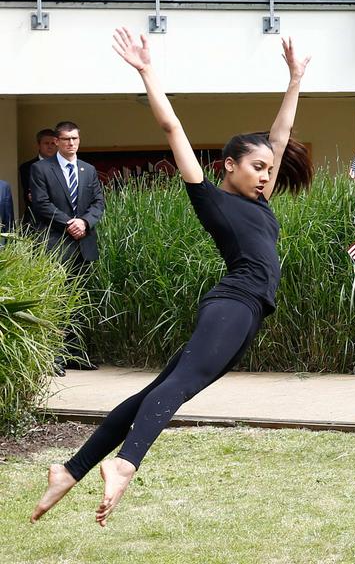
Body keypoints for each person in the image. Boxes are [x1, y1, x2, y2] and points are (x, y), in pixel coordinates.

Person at [31, 27, 312, 526]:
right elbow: (173, 128)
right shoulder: (211, 196)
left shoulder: (260, 199)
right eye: (257, 167)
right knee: (179, 385)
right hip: (234, 302)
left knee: (155, 391)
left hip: (248, 311)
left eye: (270, 168)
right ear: (230, 166)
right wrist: (146, 71)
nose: (267, 174)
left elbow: (281, 134)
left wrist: (293, 79)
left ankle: (70, 470)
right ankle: (124, 464)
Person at [29, 119, 106, 371]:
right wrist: (69, 222)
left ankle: (76, 354)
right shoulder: (41, 169)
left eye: (75, 138)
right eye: (66, 139)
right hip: (55, 242)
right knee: (57, 300)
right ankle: (55, 357)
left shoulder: (88, 169)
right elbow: (41, 204)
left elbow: (98, 203)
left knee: (79, 300)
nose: (71, 143)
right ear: (57, 142)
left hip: (83, 243)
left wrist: (84, 222)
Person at [18, 127, 59, 221]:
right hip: (35, 219)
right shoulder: (26, 167)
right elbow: (31, 195)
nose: (50, 146)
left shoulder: (64, 166)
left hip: (61, 218)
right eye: (46, 143)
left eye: (53, 143)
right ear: (38, 145)